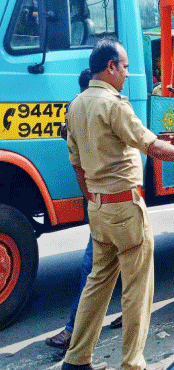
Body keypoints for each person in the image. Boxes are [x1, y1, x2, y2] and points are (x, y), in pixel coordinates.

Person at [62, 38, 174, 370]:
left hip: (99, 208)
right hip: (124, 206)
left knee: (97, 282)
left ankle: (77, 356)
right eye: (125, 66)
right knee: (136, 286)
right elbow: (151, 146)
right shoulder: (113, 104)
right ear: (110, 67)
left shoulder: (77, 105)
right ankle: (132, 364)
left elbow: (76, 162)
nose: (128, 72)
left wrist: (93, 197)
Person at [47, 69, 124, 351]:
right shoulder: (85, 108)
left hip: (111, 198)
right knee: (118, 260)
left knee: (95, 264)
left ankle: (73, 332)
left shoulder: (109, 107)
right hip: (101, 198)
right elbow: (76, 156)